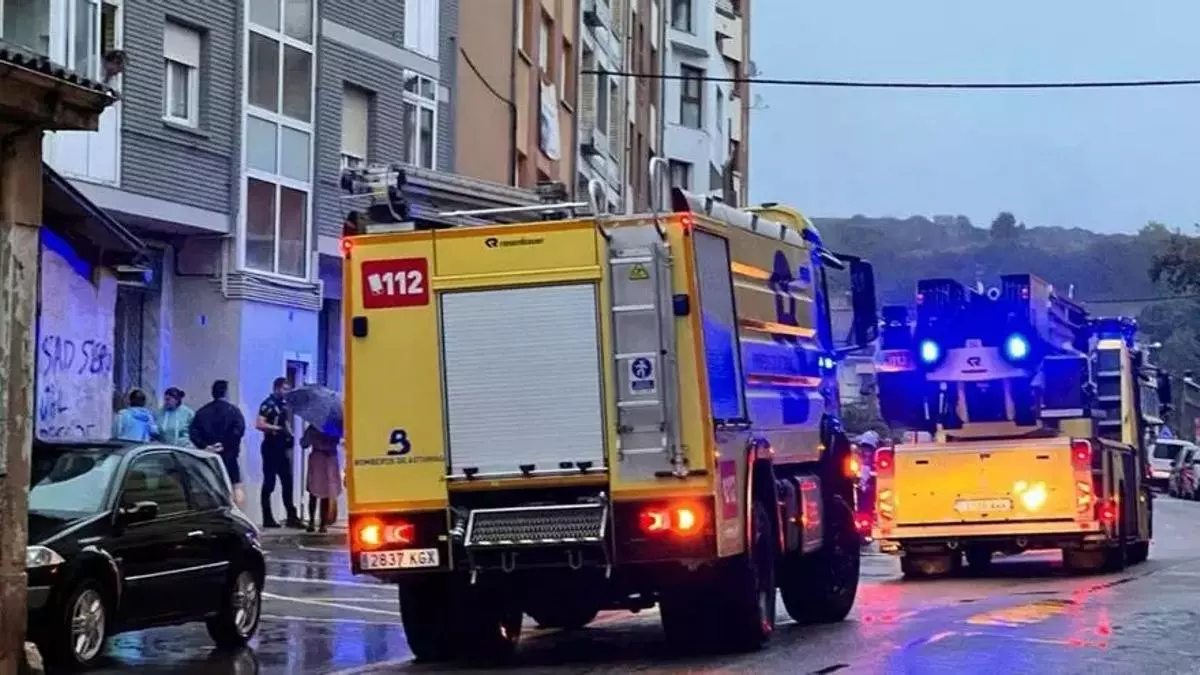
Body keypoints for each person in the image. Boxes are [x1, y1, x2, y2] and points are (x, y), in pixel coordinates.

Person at [190, 380, 248, 508]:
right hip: (229, 455)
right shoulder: (234, 411)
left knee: (211, 488)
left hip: (208, 457)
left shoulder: (202, 412)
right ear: (226, 393)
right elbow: (238, 431)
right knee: (236, 486)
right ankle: (238, 513)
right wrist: (225, 445)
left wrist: (205, 446)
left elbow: (193, 432)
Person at [256, 376, 302, 529]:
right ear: (277, 388)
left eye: (288, 389)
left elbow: (285, 421)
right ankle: (267, 517)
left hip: (282, 447)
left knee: (287, 482)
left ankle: (291, 517)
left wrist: (290, 434)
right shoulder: (268, 404)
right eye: (284, 389)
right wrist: (276, 429)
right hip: (270, 447)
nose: (286, 392)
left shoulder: (283, 404)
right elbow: (259, 424)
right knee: (269, 483)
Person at [301, 424, 342, 533]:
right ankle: (322, 524)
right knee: (326, 491)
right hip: (330, 459)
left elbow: (304, 444)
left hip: (318, 459)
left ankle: (312, 522)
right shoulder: (334, 426)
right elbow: (338, 439)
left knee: (314, 491)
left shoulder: (313, 427)